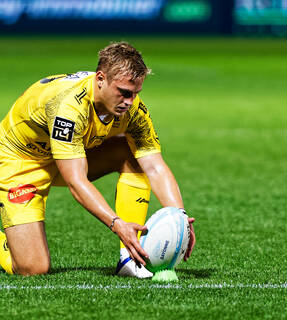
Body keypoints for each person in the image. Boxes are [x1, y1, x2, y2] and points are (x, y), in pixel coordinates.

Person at [0, 42, 195, 277]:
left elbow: (154, 166)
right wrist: (117, 224)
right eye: (123, 92)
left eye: (135, 93)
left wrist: (180, 219)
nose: (130, 101)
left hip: (67, 153)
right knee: (32, 268)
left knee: (129, 155)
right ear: (100, 79)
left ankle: (129, 259)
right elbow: (76, 182)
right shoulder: (69, 108)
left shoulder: (132, 110)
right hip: (21, 162)